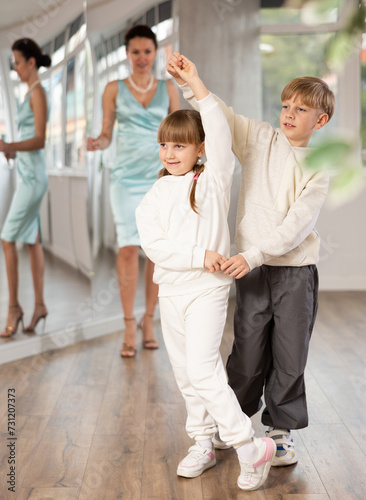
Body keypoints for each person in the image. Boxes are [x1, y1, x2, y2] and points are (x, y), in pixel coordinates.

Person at [170, 51, 334, 466]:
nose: (289, 114)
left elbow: (298, 223)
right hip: (252, 272)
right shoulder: (259, 138)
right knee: (246, 351)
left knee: (290, 353)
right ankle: (236, 424)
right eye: (285, 106)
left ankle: (280, 431)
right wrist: (193, 80)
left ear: (321, 120)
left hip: (293, 273)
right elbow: (219, 114)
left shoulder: (319, 167)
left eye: (301, 109)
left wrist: (255, 253)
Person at [136, 55, 276, 492]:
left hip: (207, 291)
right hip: (171, 291)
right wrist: (200, 253)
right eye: (165, 145)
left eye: (180, 145)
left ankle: (249, 447)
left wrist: (194, 81)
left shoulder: (213, 179)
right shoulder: (156, 192)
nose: (171, 153)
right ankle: (203, 442)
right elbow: (154, 246)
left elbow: (216, 126)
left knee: (201, 369)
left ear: (199, 150)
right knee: (185, 371)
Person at [87, 25, 179, 358]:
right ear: (127, 54)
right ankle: (128, 323)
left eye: (147, 51)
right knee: (127, 248)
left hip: (159, 178)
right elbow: (107, 132)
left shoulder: (169, 88)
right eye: (135, 52)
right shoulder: (113, 88)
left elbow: (178, 135)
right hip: (124, 180)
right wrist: (99, 142)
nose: (142, 58)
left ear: (156, 53)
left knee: (154, 252)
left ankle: (148, 320)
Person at [0, 38, 51, 338]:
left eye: (17, 62)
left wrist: (9, 145)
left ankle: (14, 308)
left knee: (7, 238)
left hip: (34, 179)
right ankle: (40, 305)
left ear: (31, 62)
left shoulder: (38, 92)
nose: (15, 68)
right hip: (29, 173)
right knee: (32, 240)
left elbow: (41, 139)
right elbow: (30, 141)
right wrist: (12, 149)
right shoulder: (30, 93)